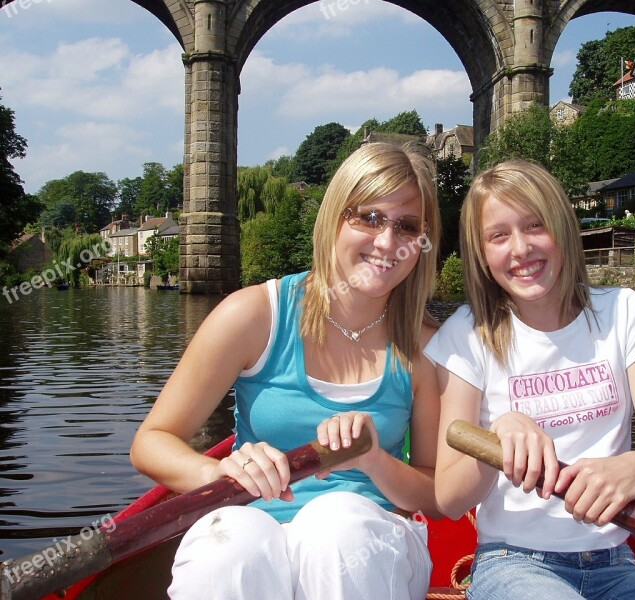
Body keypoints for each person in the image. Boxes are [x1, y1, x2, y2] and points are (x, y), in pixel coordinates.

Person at [130, 142, 443, 600]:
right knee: (230, 545)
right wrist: (215, 476)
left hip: (369, 543)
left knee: (335, 527)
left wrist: (374, 460)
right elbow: (151, 441)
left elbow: (435, 494)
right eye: (369, 217)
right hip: (253, 519)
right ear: (335, 217)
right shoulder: (253, 315)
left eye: (406, 226)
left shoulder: (426, 347)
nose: (386, 242)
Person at [426, 160, 635, 599]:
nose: (521, 248)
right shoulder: (466, 334)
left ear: (563, 228)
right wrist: (497, 436)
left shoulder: (624, 312)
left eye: (535, 225)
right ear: (482, 252)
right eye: (499, 235)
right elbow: (449, 498)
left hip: (617, 563)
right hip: (513, 563)